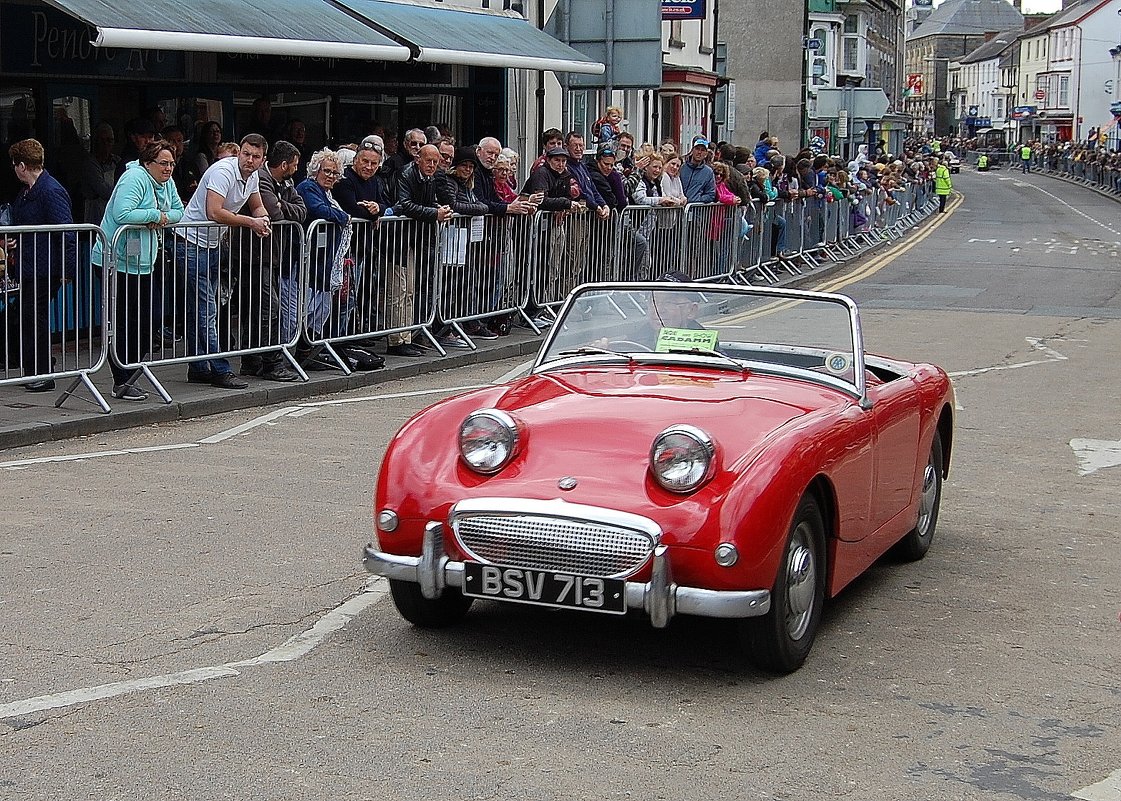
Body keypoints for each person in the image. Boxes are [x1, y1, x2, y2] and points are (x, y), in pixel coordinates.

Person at [174, 133, 272, 389]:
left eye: (255, 156)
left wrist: (263, 220)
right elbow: (214, 211)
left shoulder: (252, 178)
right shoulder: (223, 172)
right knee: (206, 308)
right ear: (239, 151)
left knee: (201, 308)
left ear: (263, 160)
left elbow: (257, 205)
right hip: (191, 242)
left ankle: (198, 366)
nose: (249, 160)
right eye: (246, 154)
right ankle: (219, 368)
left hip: (213, 244)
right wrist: (251, 222)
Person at [91, 139, 184, 400]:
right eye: (163, 163)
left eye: (172, 163)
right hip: (116, 261)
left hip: (143, 262)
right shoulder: (135, 177)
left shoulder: (166, 183)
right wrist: (155, 216)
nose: (168, 169)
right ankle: (122, 379)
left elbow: (178, 211)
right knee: (123, 322)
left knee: (149, 319)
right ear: (148, 162)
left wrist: (162, 217)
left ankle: (129, 372)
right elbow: (122, 213)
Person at [6, 138, 76, 392]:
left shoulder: (50, 191)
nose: (14, 169)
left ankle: (43, 372)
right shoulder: (27, 191)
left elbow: (67, 233)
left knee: (35, 318)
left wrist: (68, 271)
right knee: (29, 318)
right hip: (30, 266)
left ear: (22, 165)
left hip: (45, 268)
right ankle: (35, 369)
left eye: (15, 164)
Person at [237, 139, 305, 382]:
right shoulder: (262, 179)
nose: (296, 170)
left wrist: (281, 204)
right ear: (284, 164)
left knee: (262, 307)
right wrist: (281, 207)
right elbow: (273, 213)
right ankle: (269, 362)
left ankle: (253, 358)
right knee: (267, 308)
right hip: (256, 254)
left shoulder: (285, 182)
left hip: (273, 254)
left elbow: (301, 210)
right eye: (294, 165)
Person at [389, 143, 452, 356]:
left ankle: (407, 336)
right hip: (398, 239)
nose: (432, 165)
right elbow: (405, 204)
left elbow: (429, 201)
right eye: (429, 161)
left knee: (410, 291)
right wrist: (434, 214)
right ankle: (397, 339)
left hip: (415, 239)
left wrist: (438, 208)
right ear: (418, 159)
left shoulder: (431, 178)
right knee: (399, 290)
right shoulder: (406, 174)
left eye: (436, 162)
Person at [296, 150, 351, 363]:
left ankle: (308, 351)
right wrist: (343, 216)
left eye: (334, 173)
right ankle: (300, 351)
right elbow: (318, 210)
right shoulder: (308, 187)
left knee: (321, 307)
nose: (330, 176)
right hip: (305, 260)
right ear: (316, 170)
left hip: (324, 260)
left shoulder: (328, 193)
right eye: (326, 171)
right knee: (303, 308)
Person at [679, 137, 717, 203]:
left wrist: (696, 199)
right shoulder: (681, 167)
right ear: (692, 150)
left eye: (702, 150)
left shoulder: (708, 172)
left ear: (706, 154)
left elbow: (710, 194)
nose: (699, 152)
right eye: (697, 149)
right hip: (678, 208)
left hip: (696, 210)